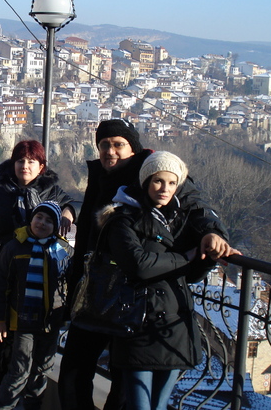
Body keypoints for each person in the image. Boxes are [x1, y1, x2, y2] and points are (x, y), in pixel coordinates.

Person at [59, 119, 228, 410]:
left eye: (118, 145)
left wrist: (213, 232)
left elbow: (196, 206)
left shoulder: (156, 171)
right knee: (73, 375)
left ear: (133, 148)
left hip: (138, 298)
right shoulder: (100, 175)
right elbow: (87, 237)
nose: (110, 151)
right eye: (104, 145)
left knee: (124, 387)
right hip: (98, 293)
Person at [99, 151, 239, 410]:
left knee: (159, 406)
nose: (165, 189)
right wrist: (188, 255)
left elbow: (191, 275)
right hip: (137, 322)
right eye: (158, 181)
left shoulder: (177, 220)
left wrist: (208, 256)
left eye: (172, 183)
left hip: (173, 324)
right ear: (145, 182)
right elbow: (138, 266)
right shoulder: (121, 220)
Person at [0, 139, 77, 410]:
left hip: (36, 282)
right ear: (12, 164)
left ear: (41, 167)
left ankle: (22, 397)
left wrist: (69, 215)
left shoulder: (52, 192)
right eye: (20, 161)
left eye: (31, 162)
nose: (25, 166)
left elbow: (70, 205)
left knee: (26, 345)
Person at [0, 201, 73, 410]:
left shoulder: (62, 250)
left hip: (51, 321)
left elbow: (71, 283)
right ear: (31, 218)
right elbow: (0, 285)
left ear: (56, 226)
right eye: (39, 217)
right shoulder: (15, 246)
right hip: (23, 320)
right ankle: (3, 405)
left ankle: (32, 405)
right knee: (19, 369)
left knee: (42, 368)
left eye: (48, 220)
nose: (42, 223)